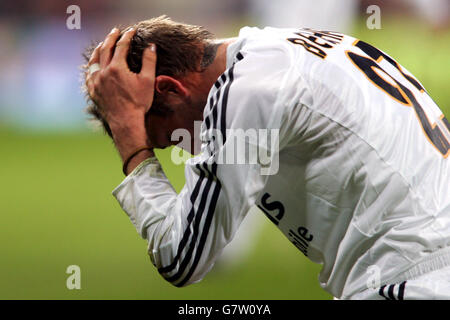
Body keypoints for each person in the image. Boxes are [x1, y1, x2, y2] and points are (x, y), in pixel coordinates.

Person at [83, 16, 450, 299]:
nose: (185, 149)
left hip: (414, 279)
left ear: (169, 89)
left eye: (167, 137)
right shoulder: (273, 48)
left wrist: (132, 144)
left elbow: (181, 257)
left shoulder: (247, 94)